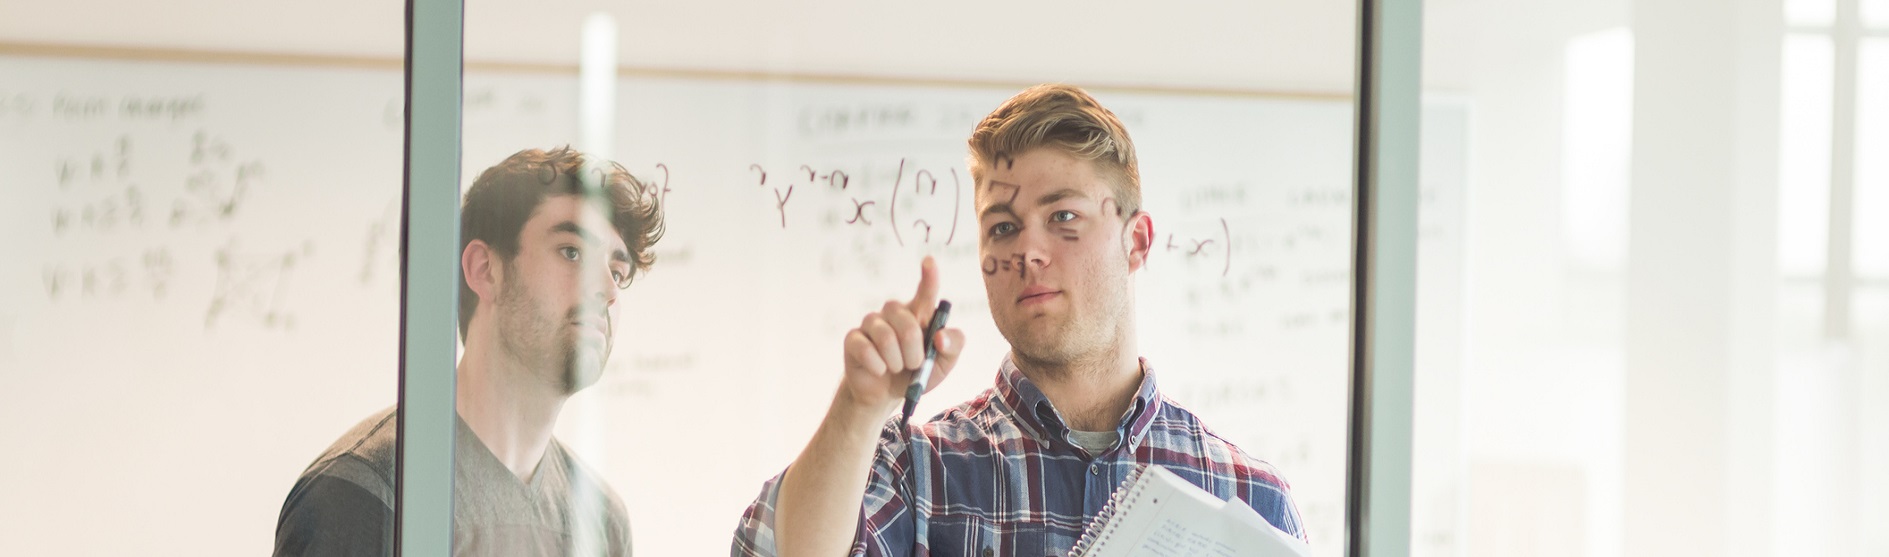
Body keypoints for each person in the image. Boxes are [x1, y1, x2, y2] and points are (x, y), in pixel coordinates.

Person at [731, 84, 1305, 557]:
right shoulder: (918, 471)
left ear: (1137, 240)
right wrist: (859, 410)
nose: (1029, 251)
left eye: (1062, 216)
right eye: (1003, 227)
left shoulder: (1251, 499)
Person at [273, 146, 665, 557]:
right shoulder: (368, 496)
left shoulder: (603, 524)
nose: (608, 290)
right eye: (572, 252)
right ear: (484, 270)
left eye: (618, 272)